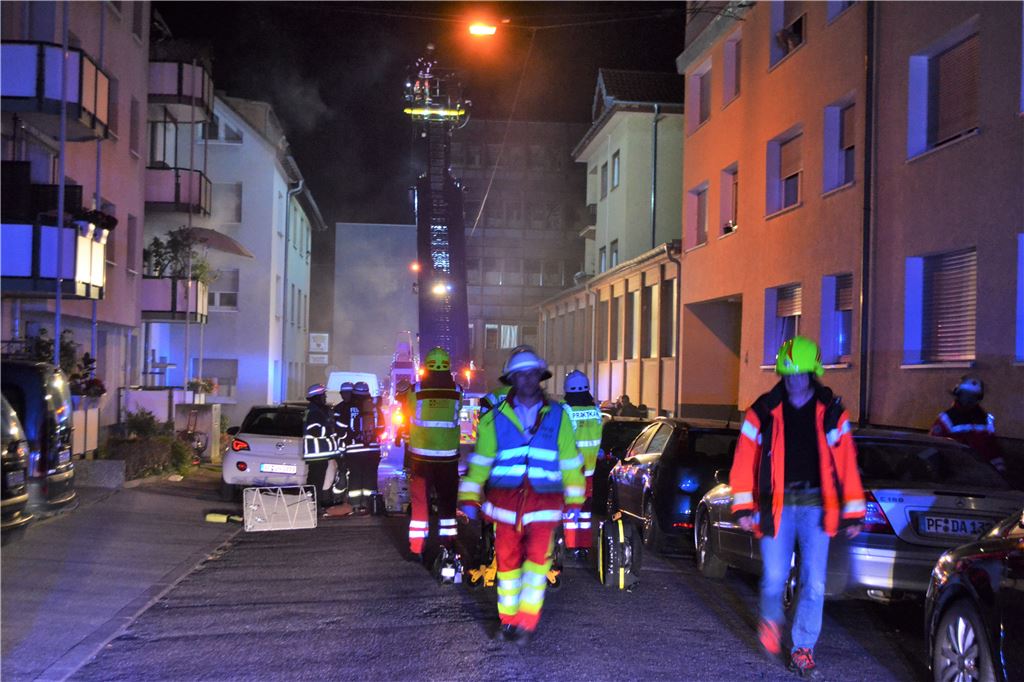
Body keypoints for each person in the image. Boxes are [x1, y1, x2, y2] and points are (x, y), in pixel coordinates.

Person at [729, 336, 865, 677]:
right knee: (775, 576)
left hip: (817, 507)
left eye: (800, 374)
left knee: (814, 581)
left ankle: (803, 647)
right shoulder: (762, 410)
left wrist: (853, 511)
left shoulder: (832, 412)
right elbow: (745, 459)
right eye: (788, 375)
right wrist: (744, 507)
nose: (793, 381)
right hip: (776, 507)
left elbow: (847, 461)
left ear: (812, 373)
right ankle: (772, 620)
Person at [457, 346, 585, 645]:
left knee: (537, 565)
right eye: (521, 374)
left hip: (544, 505)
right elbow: (480, 461)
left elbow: (570, 462)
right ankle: (509, 621)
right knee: (508, 565)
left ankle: (526, 622)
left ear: (540, 376)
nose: (527, 379)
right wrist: (469, 496)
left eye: (532, 374)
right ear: (511, 379)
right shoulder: (492, 420)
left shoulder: (558, 417)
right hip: (505, 505)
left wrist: (576, 501)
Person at [406, 347, 463, 569]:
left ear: (425, 366)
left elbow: (409, 415)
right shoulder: (458, 391)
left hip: (421, 460)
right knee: (447, 505)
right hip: (448, 460)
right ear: (448, 366)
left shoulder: (415, 390)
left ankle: (416, 548)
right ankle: (448, 546)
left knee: (420, 505)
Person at [561, 370, 603, 560]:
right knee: (585, 510)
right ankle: (584, 545)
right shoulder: (595, 411)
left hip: (570, 471)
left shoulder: (566, 410)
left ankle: (570, 544)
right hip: (589, 470)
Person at [930, 375, 1006, 474]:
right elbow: (934, 447)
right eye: (966, 395)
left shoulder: (986, 419)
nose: (969, 399)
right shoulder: (946, 418)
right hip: (955, 473)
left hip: (981, 474)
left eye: (973, 396)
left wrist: (999, 472)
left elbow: (992, 448)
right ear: (959, 395)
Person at [345, 381, 385, 513]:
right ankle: (369, 504)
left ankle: (355, 504)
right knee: (370, 475)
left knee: (355, 475)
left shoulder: (348, 407)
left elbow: (343, 428)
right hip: (372, 449)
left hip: (353, 449)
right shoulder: (374, 408)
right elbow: (382, 428)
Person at [303, 383, 342, 512]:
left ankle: (313, 505)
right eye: (323, 395)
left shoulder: (316, 410)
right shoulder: (315, 412)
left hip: (320, 454)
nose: (325, 397)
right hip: (317, 454)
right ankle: (312, 506)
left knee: (316, 481)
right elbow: (314, 431)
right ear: (316, 397)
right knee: (315, 481)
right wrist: (329, 430)